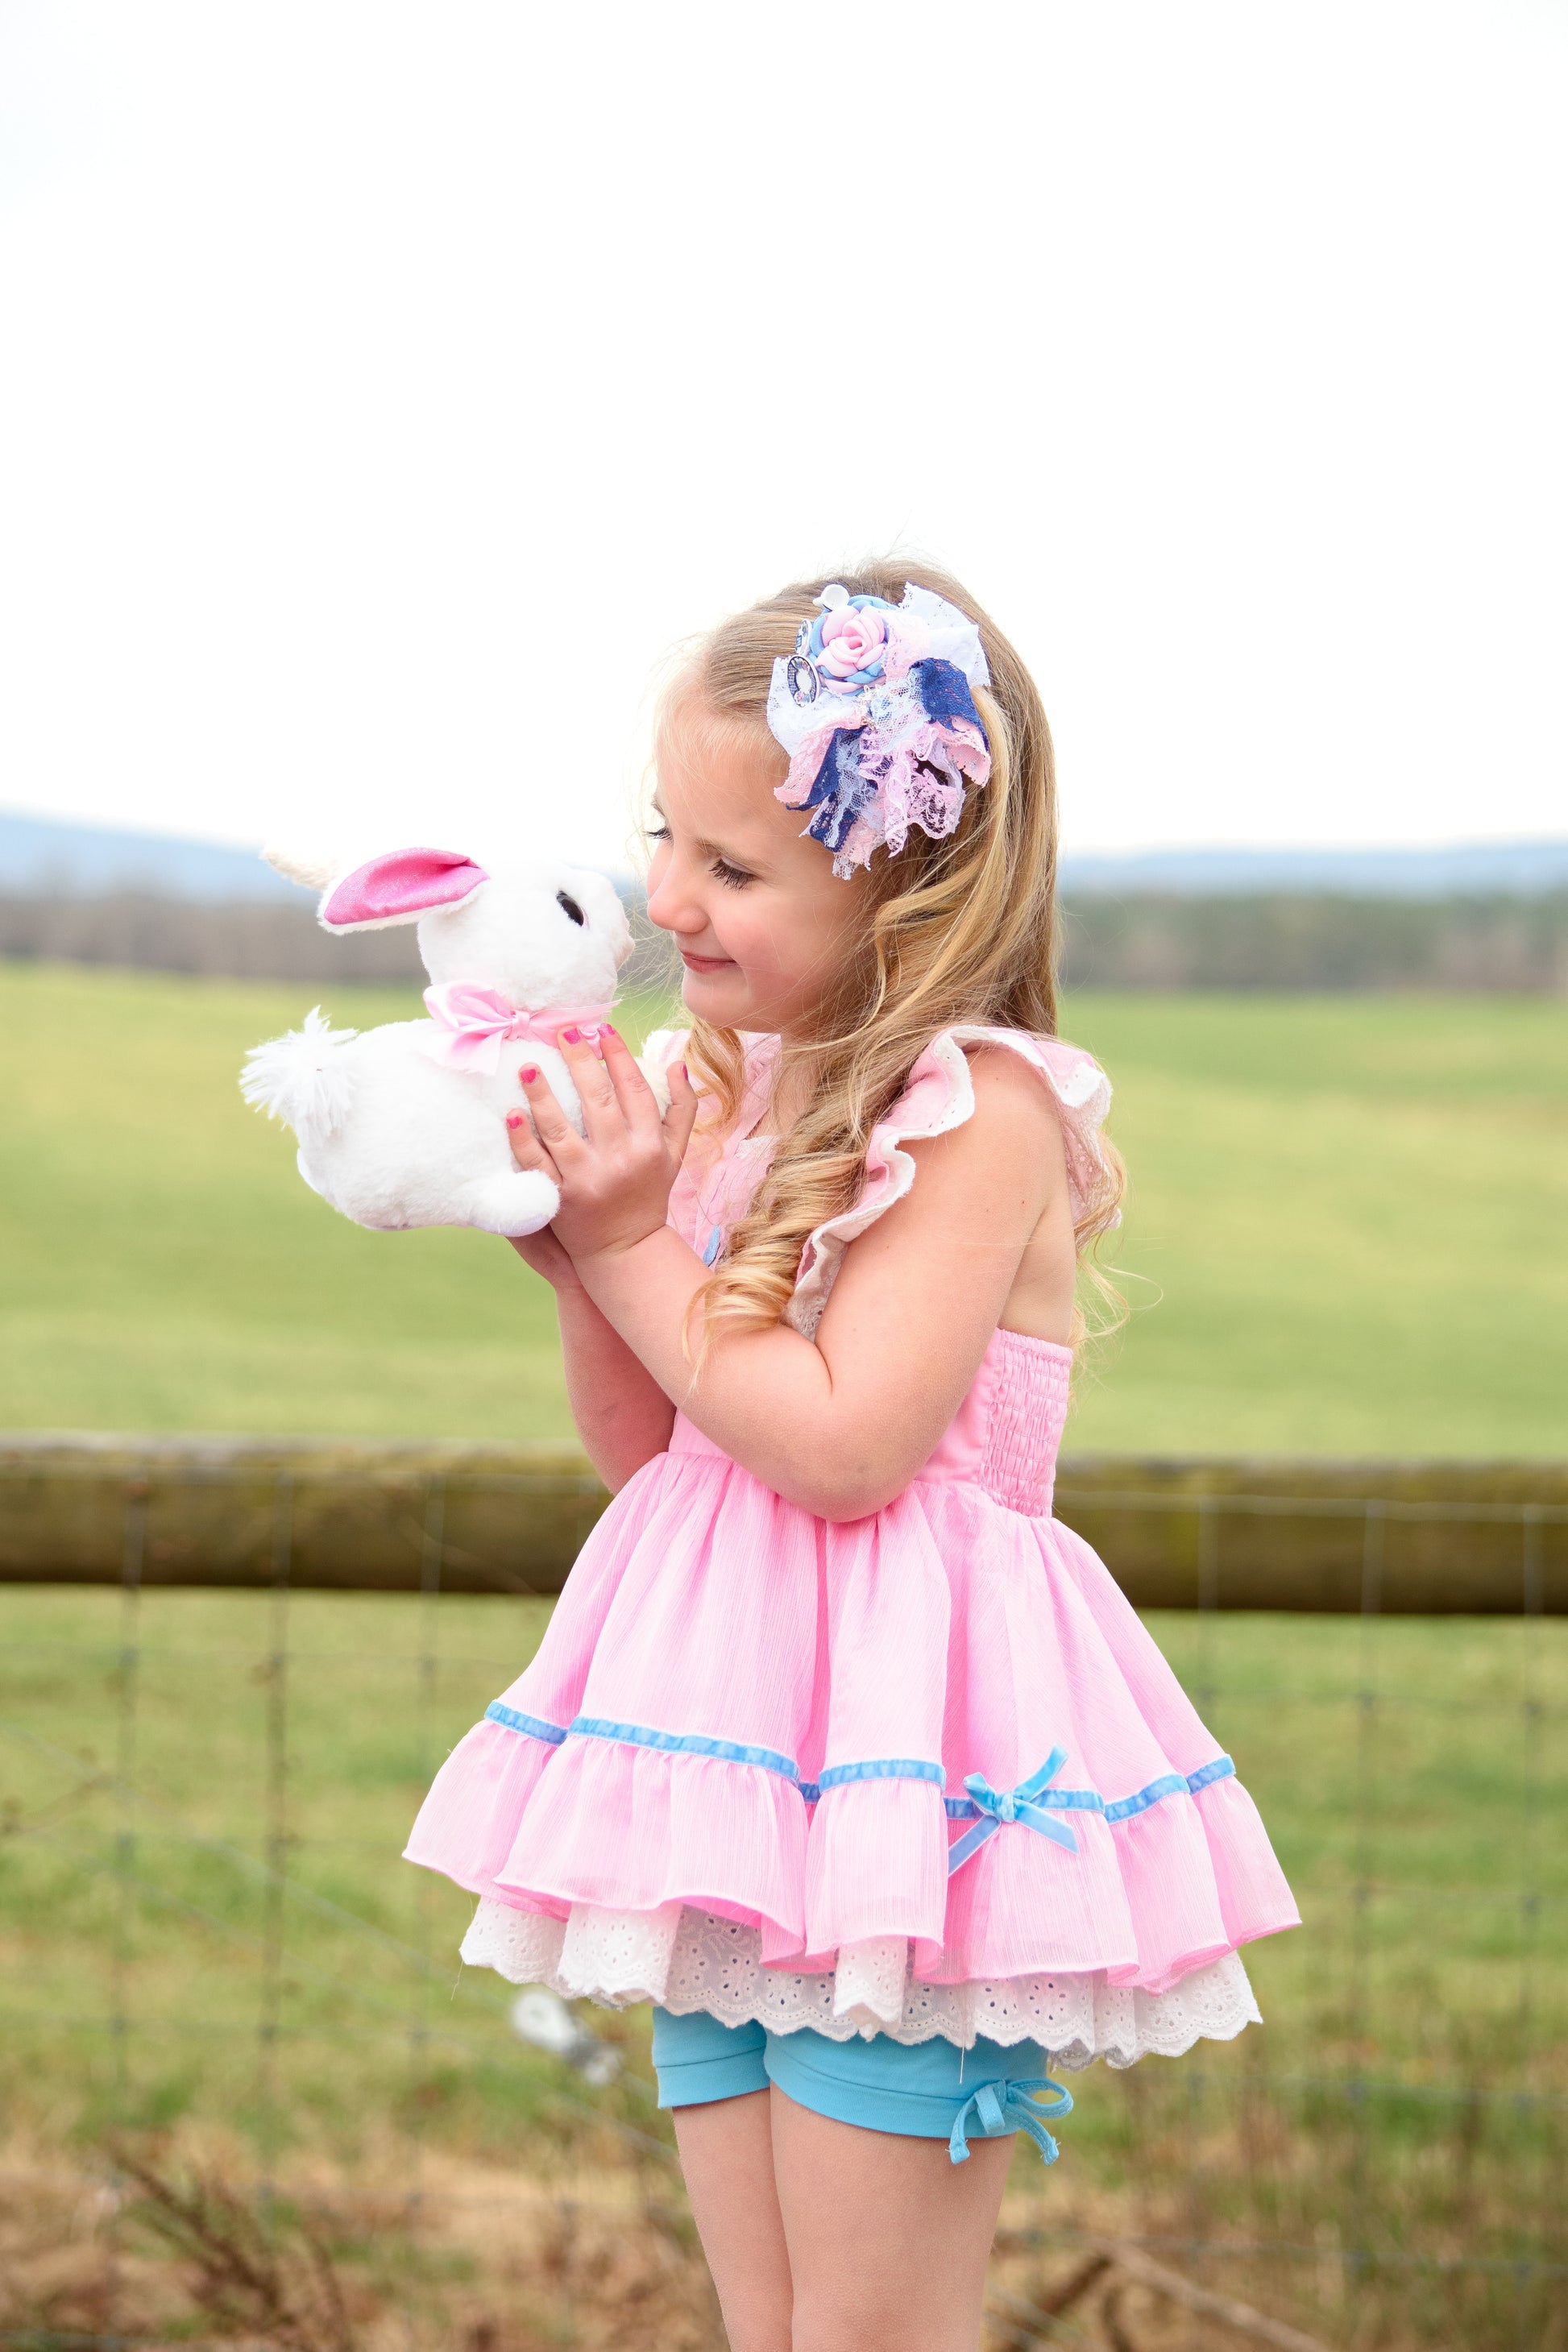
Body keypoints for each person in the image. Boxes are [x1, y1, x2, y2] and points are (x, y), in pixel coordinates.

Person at [406, 562, 1299, 2352]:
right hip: (728, 1763)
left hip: (907, 1774)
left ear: (908, 885)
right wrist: (586, 1263)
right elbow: (658, 1455)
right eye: (665, 840)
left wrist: (637, 1247)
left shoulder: (977, 1108)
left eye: (733, 869)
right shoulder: (720, 1087)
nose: (668, 900)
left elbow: (839, 1450)